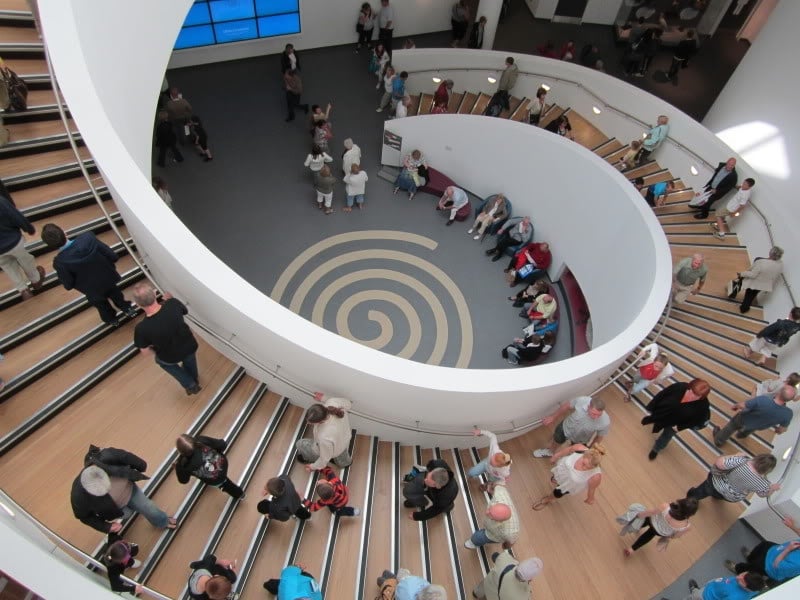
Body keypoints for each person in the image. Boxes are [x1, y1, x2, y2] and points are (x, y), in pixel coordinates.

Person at [40, 223, 136, 326]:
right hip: (108, 279)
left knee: (101, 305)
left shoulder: (60, 262)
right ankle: (127, 308)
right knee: (117, 295)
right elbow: (112, 256)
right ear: (64, 232)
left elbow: (68, 284)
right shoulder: (88, 238)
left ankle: (111, 319)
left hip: (91, 290)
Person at [70, 445, 177, 533]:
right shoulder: (78, 494)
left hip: (131, 492)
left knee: (149, 507)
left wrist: (141, 466)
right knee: (129, 513)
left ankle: (162, 521)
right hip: (116, 509)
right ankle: (135, 510)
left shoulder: (108, 456)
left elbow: (126, 457)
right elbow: (84, 517)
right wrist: (107, 527)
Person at [132, 282, 201, 395]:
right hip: (189, 345)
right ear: (155, 295)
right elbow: (184, 311)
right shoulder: (173, 303)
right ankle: (194, 378)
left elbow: (145, 352)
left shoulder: (141, 328)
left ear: (138, 304)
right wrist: (168, 300)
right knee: (190, 359)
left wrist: (154, 349)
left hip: (169, 356)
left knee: (161, 361)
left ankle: (190, 384)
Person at [640, 379, 711, 460]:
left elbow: (695, 421)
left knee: (666, 436)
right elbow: (662, 394)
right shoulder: (679, 387)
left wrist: (680, 427)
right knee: (655, 418)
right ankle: (650, 420)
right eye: (692, 392)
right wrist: (651, 407)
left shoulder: (703, 406)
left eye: (697, 396)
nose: (692, 396)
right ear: (690, 386)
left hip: (675, 424)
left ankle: (656, 449)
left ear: (702, 397)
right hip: (662, 412)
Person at [712, 384, 796, 447]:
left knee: (730, 427)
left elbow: (743, 405)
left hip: (742, 419)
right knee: (749, 429)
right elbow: (781, 430)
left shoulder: (763, 400)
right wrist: (777, 430)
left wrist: (735, 406)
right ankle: (741, 435)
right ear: (790, 400)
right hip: (757, 426)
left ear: (779, 391)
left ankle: (719, 441)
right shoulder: (788, 414)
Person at [725, 515, 800, 583]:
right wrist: (791, 526)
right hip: (776, 549)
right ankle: (750, 558)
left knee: (755, 566)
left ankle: (738, 568)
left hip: (769, 567)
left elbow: (776, 565)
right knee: (764, 544)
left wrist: (788, 549)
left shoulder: (797, 564)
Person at [532, 443, 605, 509]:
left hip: (570, 484)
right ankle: (556, 480)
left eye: (589, 468)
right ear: (584, 455)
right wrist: (556, 456)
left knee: (558, 492)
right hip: (562, 472)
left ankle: (549, 498)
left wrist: (590, 499)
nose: (584, 468)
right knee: (555, 478)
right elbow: (568, 450)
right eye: (583, 464)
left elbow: (592, 489)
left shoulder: (596, 477)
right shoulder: (579, 448)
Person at [532, 396, 610, 458]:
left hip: (581, 440)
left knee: (577, 454)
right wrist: (552, 417)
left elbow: (599, 437)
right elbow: (566, 406)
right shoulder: (581, 400)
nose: (596, 417)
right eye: (594, 414)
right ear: (589, 406)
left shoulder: (605, 421)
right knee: (557, 439)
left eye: (599, 415)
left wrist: (591, 448)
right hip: (566, 427)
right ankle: (550, 451)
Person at [686, 453, 779, 503]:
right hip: (730, 496)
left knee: (702, 491)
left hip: (715, 483)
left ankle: (692, 497)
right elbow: (762, 494)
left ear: (759, 457)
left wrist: (736, 455)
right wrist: (772, 489)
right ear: (768, 470)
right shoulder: (763, 483)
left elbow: (720, 463)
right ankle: (716, 496)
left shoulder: (743, 461)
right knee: (719, 495)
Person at [174, 434, 244, 500]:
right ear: (191, 439)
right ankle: (240, 494)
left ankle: (239, 494)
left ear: (181, 452)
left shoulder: (181, 464)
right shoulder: (201, 440)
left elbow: (183, 480)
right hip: (223, 464)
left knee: (225, 484)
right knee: (223, 479)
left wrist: (177, 468)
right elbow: (222, 445)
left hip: (214, 479)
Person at [295, 392, 353, 470]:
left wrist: (313, 467)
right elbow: (349, 403)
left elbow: (324, 458)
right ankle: (345, 462)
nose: (308, 423)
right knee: (340, 450)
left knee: (300, 444)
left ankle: (308, 458)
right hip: (344, 439)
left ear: (320, 421)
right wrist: (324, 398)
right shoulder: (333, 402)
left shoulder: (324, 437)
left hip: (332, 450)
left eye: (311, 422)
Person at [622, 497, 698, 556]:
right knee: (648, 536)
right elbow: (675, 536)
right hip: (659, 532)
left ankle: (635, 527)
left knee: (643, 521)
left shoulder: (666, 506)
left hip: (652, 520)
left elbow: (651, 512)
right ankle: (631, 549)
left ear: (682, 502)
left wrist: (639, 515)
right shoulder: (686, 526)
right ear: (691, 514)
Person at [464, 483, 519, 550]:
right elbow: (497, 485)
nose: (486, 512)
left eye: (491, 515)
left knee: (478, 537)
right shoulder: (500, 495)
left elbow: (511, 541)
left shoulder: (510, 532)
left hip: (493, 534)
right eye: (490, 509)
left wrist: (506, 546)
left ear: (499, 521)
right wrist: (487, 486)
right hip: (491, 526)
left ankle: (474, 543)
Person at [473, 551, 542, 600]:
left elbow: (495, 555)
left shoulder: (505, 559)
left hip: (488, 585)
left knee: (487, 580)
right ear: (530, 579)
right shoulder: (525, 594)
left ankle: (476, 593)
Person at [734, 245, 782, 313]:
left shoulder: (761, 262)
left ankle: (743, 309)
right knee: (752, 295)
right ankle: (745, 306)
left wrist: (742, 274)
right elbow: (774, 276)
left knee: (748, 296)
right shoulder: (780, 265)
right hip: (763, 284)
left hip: (754, 282)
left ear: (770, 253)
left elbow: (752, 274)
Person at [684, 572, 765, 600]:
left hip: (704, 596)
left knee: (693, 597)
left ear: (747, 588)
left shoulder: (735, 598)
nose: (738, 577)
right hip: (711, 587)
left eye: (742, 581)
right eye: (743, 574)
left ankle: (694, 591)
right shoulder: (756, 587)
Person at [375, 569, 446, 600]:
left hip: (402, 582)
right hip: (398, 592)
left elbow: (403, 574)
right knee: (381, 581)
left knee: (385, 574)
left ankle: (385, 578)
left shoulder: (425, 583)